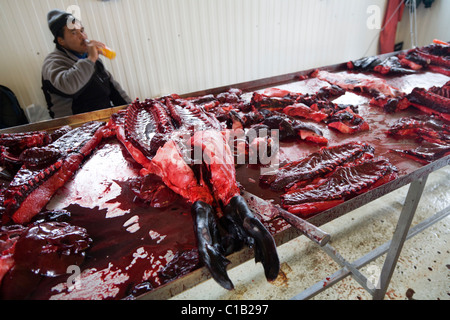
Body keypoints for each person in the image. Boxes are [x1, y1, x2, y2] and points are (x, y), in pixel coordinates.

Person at [42, 9, 131, 118]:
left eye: (82, 30)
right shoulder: (53, 62)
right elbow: (69, 86)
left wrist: (131, 110)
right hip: (75, 128)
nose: (83, 36)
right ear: (61, 41)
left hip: (104, 121)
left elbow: (114, 89)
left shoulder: (92, 58)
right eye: (74, 32)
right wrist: (91, 58)